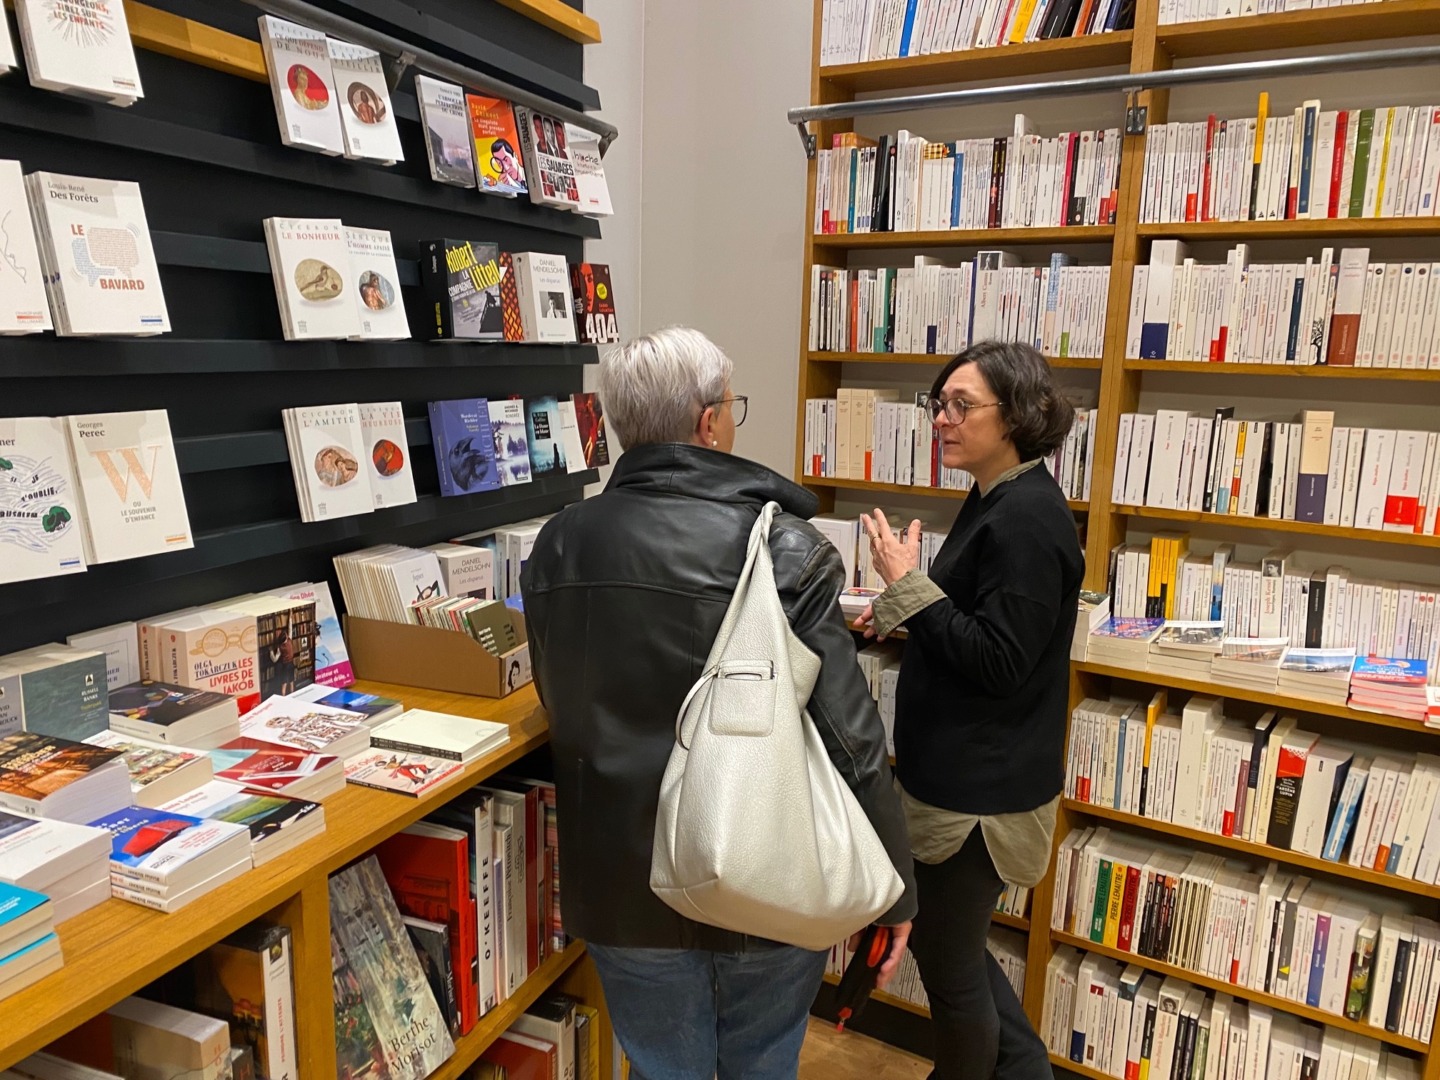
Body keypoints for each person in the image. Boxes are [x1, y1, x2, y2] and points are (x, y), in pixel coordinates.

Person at [521, 326, 916, 1080]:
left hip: (621, 879)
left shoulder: (559, 544)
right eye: (730, 406)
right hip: (763, 871)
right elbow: (850, 737)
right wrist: (896, 886)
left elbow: (559, 696)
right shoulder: (784, 547)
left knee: (663, 1068)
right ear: (708, 423)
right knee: (762, 1063)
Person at [855, 340, 1084, 1080]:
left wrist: (908, 586)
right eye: (939, 405)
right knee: (947, 947)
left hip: (980, 798)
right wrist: (901, 604)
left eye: (962, 405)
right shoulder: (997, 498)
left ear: (1016, 414)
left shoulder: (1028, 519)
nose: (943, 420)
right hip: (959, 780)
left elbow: (999, 660)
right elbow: (969, 623)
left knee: (950, 967)